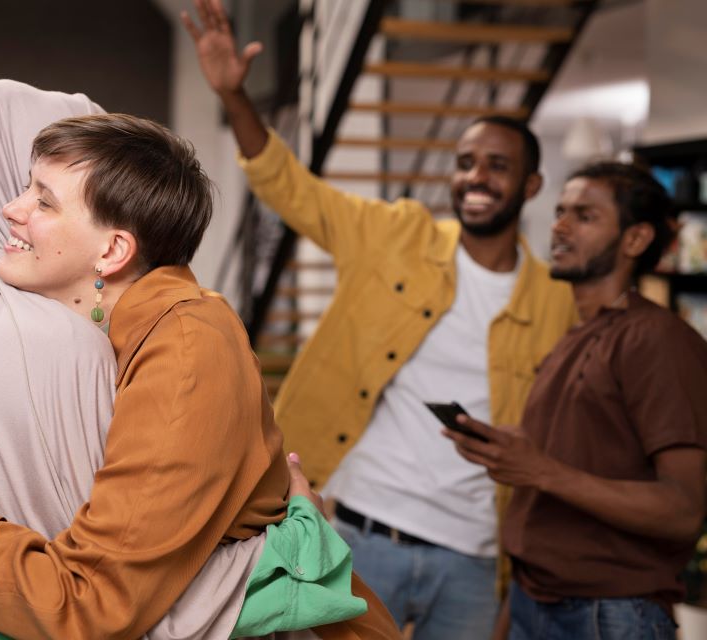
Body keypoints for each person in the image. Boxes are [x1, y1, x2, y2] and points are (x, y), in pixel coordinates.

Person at [0, 86, 400, 639]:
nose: (11, 209)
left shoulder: (187, 355)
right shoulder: (89, 302)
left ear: (112, 252)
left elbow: (94, 605)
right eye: (26, 186)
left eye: (43, 201)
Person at [181, 1, 579, 637]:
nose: (475, 178)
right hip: (360, 532)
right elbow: (292, 190)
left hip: (474, 557)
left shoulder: (557, 301)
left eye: (497, 166)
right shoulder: (398, 235)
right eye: (466, 162)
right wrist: (234, 97)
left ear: (532, 185)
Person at [445, 161, 707, 640]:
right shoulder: (577, 334)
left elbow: (684, 509)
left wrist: (540, 469)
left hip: (610, 615)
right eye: (561, 211)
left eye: (584, 216)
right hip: (534, 599)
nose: (560, 226)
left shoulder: (655, 339)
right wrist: (518, 455)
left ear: (635, 240)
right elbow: (561, 471)